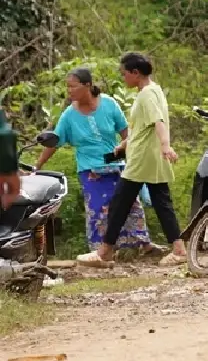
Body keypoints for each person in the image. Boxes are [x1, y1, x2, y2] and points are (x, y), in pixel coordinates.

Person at [77, 53, 187, 267]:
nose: (123, 77)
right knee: (160, 202)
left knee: (120, 202)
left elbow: (158, 122)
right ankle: (179, 249)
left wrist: (166, 145)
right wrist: (124, 145)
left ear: (135, 73)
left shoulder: (147, 94)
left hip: (143, 160)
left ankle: (104, 251)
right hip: (147, 157)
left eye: (124, 73)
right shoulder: (153, 91)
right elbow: (141, 128)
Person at [35, 68, 158, 256]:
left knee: (131, 204)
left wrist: (133, 152)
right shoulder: (69, 115)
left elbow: (127, 133)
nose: (69, 91)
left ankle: (144, 244)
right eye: (67, 87)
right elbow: (55, 142)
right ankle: (99, 252)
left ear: (87, 85)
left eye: (72, 86)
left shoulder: (109, 104)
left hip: (116, 164)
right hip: (90, 170)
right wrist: (38, 166)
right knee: (97, 211)